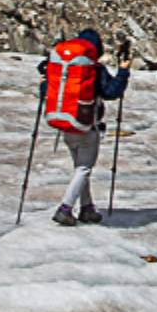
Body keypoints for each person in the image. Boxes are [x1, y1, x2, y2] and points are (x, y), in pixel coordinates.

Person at [40, 28, 130, 226]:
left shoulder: (63, 68)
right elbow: (111, 92)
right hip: (86, 126)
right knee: (83, 169)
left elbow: (45, 91)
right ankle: (65, 208)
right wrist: (123, 72)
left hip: (64, 123)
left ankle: (87, 208)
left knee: (79, 168)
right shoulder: (94, 69)